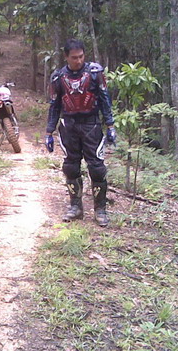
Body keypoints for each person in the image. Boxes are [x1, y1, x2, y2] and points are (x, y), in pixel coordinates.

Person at [45, 39, 116, 227]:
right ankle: (75, 207)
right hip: (68, 125)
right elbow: (54, 105)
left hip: (91, 124)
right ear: (66, 57)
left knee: (97, 168)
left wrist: (110, 125)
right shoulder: (58, 77)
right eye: (74, 57)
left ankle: (100, 210)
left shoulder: (94, 73)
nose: (78, 60)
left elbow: (105, 99)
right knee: (71, 167)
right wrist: (49, 131)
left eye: (81, 56)